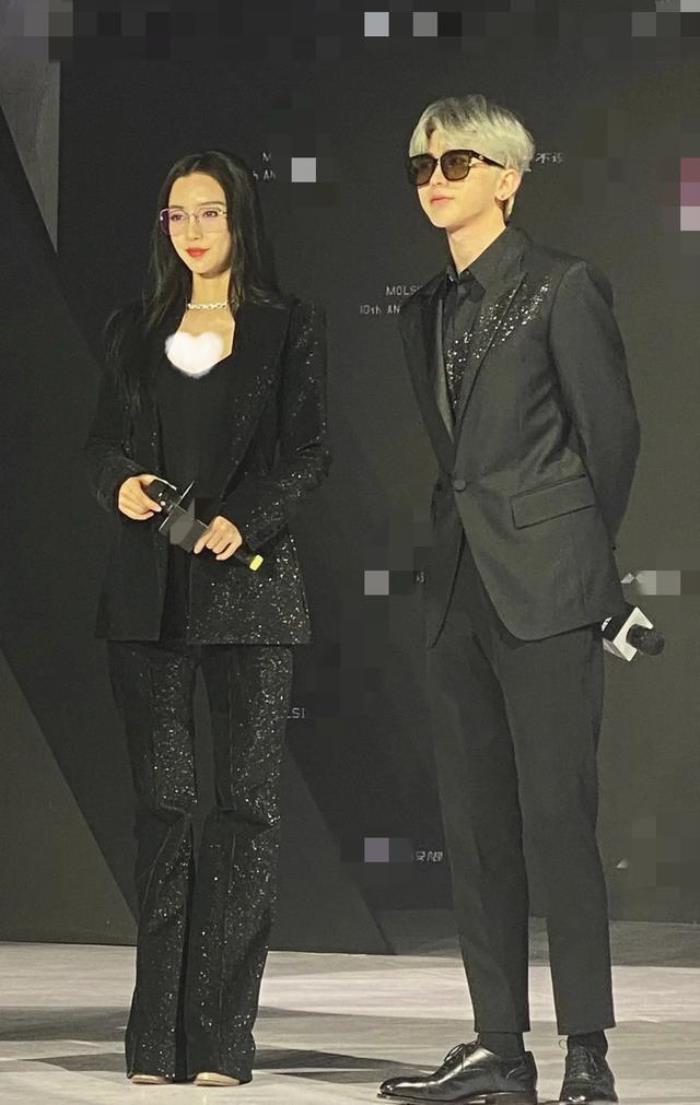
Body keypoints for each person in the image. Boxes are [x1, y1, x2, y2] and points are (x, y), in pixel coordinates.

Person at [378, 95, 640, 1105]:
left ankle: (586, 1052)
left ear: (507, 176)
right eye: (421, 166)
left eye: (455, 162)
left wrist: (573, 559)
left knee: (557, 820)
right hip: (457, 591)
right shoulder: (421, 308)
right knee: (477, 829)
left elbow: (610, 440)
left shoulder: (563, 286)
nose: (434, 180)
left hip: (547, 589)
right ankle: (500, 1047)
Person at [84, 148, 330, 1087]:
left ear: (240, 220)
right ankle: (155, 1040)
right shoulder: (133, 328)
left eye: (209, 212)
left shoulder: (288, 326)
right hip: (147, 598)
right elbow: (101, 444)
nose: (192, 231)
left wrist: (245, 519)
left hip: (250, 593)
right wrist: (120, 483)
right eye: (177, 215)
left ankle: (223, 1040)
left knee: (245, 813)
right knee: (164, 810)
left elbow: (309, 452)